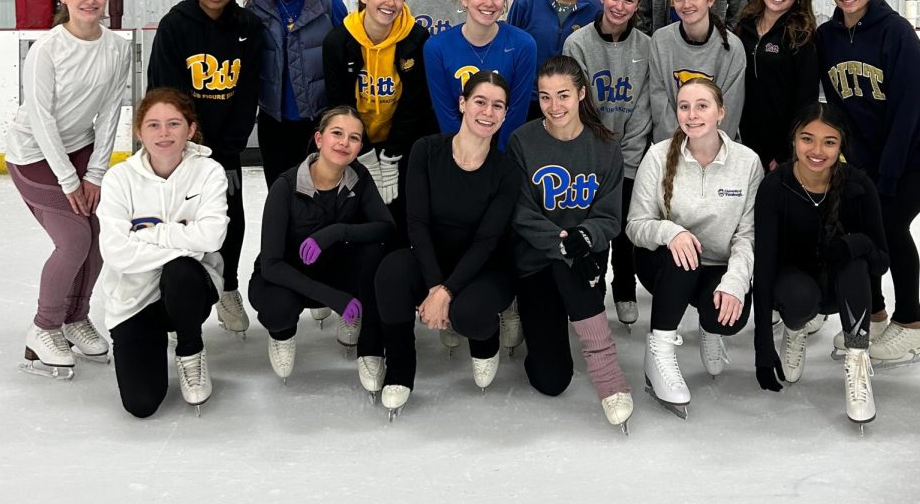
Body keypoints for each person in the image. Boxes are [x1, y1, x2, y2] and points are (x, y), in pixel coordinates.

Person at [816, 0, 920, 365]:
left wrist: (887, 172)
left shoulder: (896, 31)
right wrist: (859, 159)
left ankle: (911, 325)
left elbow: (911, 108)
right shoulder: (828, 36)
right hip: (879, 149)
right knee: (864, 218)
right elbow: (839, 105)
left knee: (890, 222)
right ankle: (878, 315)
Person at [5, 0, 133, 379]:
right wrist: (68, 179)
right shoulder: (48, 50)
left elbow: (112, 111)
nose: (90, 0)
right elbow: (41, 119)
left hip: (81, 150)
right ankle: (42, 328)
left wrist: (95, 174)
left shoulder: (116, 47)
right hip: (33, 154)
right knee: (74, 239)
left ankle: (75, 318)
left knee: (98, 233)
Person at [372, 72, 520, 419]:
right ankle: (400, 367)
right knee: (390, 274)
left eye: (497, 105)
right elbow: (417, 224)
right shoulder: (426, 150)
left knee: (469, 313)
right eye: (480, 101)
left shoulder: (507, 171)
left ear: (505, 113)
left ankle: (485, 344)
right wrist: (435, 284)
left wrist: (446, 292)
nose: (488, 111)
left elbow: (487, 241)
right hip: (433, 259)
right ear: (462, 104)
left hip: (485, 267)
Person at [508, 56, 634, 432]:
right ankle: (532, 313)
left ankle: (606, 369)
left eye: (563, 95)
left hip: (584, 261)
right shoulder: (522, 141)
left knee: (572, 274)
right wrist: (565, 244)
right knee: (551, 381)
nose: (554, 106)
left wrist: (583, 239)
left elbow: (610, 215)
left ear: (581, 93)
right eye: (545, 97)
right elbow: (520, 212)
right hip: (536, 262)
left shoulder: (606, 146)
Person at [626, 78, 760, 418]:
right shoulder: (657, 157)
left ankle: (708, 324)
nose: (692, 114)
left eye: (702, 106)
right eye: (684, 106)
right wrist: (670, 232)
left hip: (717, 267)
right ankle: (660, 351)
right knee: (684, 255)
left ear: (721, 112)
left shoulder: (747, 162)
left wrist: (735, 283)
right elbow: (635, 226)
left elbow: (748, 236)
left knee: (727, 320)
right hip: (664, 262)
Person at [752, 105, 889, 429]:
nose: (816, 150)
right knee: (799, 297)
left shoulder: (859, 186)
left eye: (829, 142)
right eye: (807, 139)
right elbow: (765, 267)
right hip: (793, 288)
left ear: (841, 145)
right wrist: (762, 343)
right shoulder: (775, 187)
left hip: (839, 289)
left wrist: (855, 244)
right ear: (794, 140)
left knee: (855, 264)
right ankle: (795, 330)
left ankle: (857, 359)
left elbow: (881, 262)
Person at [147, 0, 262, 337]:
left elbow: (248, 92)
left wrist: (228, 145)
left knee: (231, 216)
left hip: (226, 147)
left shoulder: (247, 26)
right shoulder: (176, 26)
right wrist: (185, 141)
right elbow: (165, 89)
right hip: (181, 147)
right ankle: (172, 299)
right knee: (177, 219)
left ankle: (228, 286)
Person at [97, 89, 229, 417]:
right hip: (134, 297)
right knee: (141, 404)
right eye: (153, 125)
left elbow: (212, 237)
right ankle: (153, 338)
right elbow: (115, 252)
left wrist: (150, 235)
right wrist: (185, 242)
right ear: (139, 132)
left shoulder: (209, 172)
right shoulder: (119, 179)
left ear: (190, 129)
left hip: (190, 289)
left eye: (173, 123)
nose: (164, 133)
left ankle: (190, 349)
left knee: (181, 271)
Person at [247, 106, 394, 396]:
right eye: (336, 133)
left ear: (359, 147)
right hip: (286, 276)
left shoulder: (358, 177)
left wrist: (335, 233)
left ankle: (368, 344)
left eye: (353, 138)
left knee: (376, 254)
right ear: (319, 139)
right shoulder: (286, 186)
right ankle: (282, 335)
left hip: (333, 269)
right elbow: (272, 263)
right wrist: (333, 297)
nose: (344, 143)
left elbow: (386, 228)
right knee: (278, 308)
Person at [563, 0, 652, 327]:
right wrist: (599, 155)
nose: (620, 5)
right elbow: (577, 107)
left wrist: (628, 158)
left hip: (629, 154)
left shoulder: (646, 46)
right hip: (590, 154)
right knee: (596, 225)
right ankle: (593, 290)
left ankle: (625, 288)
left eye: (629, 0)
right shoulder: (578, 44)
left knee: (626, 225)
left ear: (637, 6)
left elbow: (644, 106)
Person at [322, 0, 436, 230]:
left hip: (399, 142)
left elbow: (415, 103)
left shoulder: (416, 38)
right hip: (355, 143)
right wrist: (365, 154)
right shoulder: (338, 41)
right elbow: (340, 104)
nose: (390, 3)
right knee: (355, 211)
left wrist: (390, 157)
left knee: (398, 212)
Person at [246, 0, 348, 188]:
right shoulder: (255, 8)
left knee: (319, 199)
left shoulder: (328, 2)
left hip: (319, 123)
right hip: (274, 124)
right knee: (282, 197)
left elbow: (348, 57)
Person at [424, 0, 537, 151]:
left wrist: (498, 157)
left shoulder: (523, 45)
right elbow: (446, 113)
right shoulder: (436, 48)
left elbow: (517, 110)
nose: (489, 3)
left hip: (504, 150)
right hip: (457, 148)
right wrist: (465, 152)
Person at [733, 0, 820, 172]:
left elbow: (806, 102)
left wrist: (785, 153)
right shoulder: (744, 27)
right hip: (740, 143)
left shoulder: (801, 36)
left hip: (778, 151)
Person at [508, 0, 601, 114]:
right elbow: (508, 49)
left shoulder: (597, 8)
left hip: (573, 106)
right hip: (527, 102)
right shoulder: (527, 0)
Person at [648, 0, 746, 142]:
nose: (686, 4)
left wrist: (705, 147)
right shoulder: (660, 40)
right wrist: (677, 147)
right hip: (671, 145)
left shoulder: (733, 47)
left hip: (716, 147)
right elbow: (660, 104)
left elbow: (729, 110)